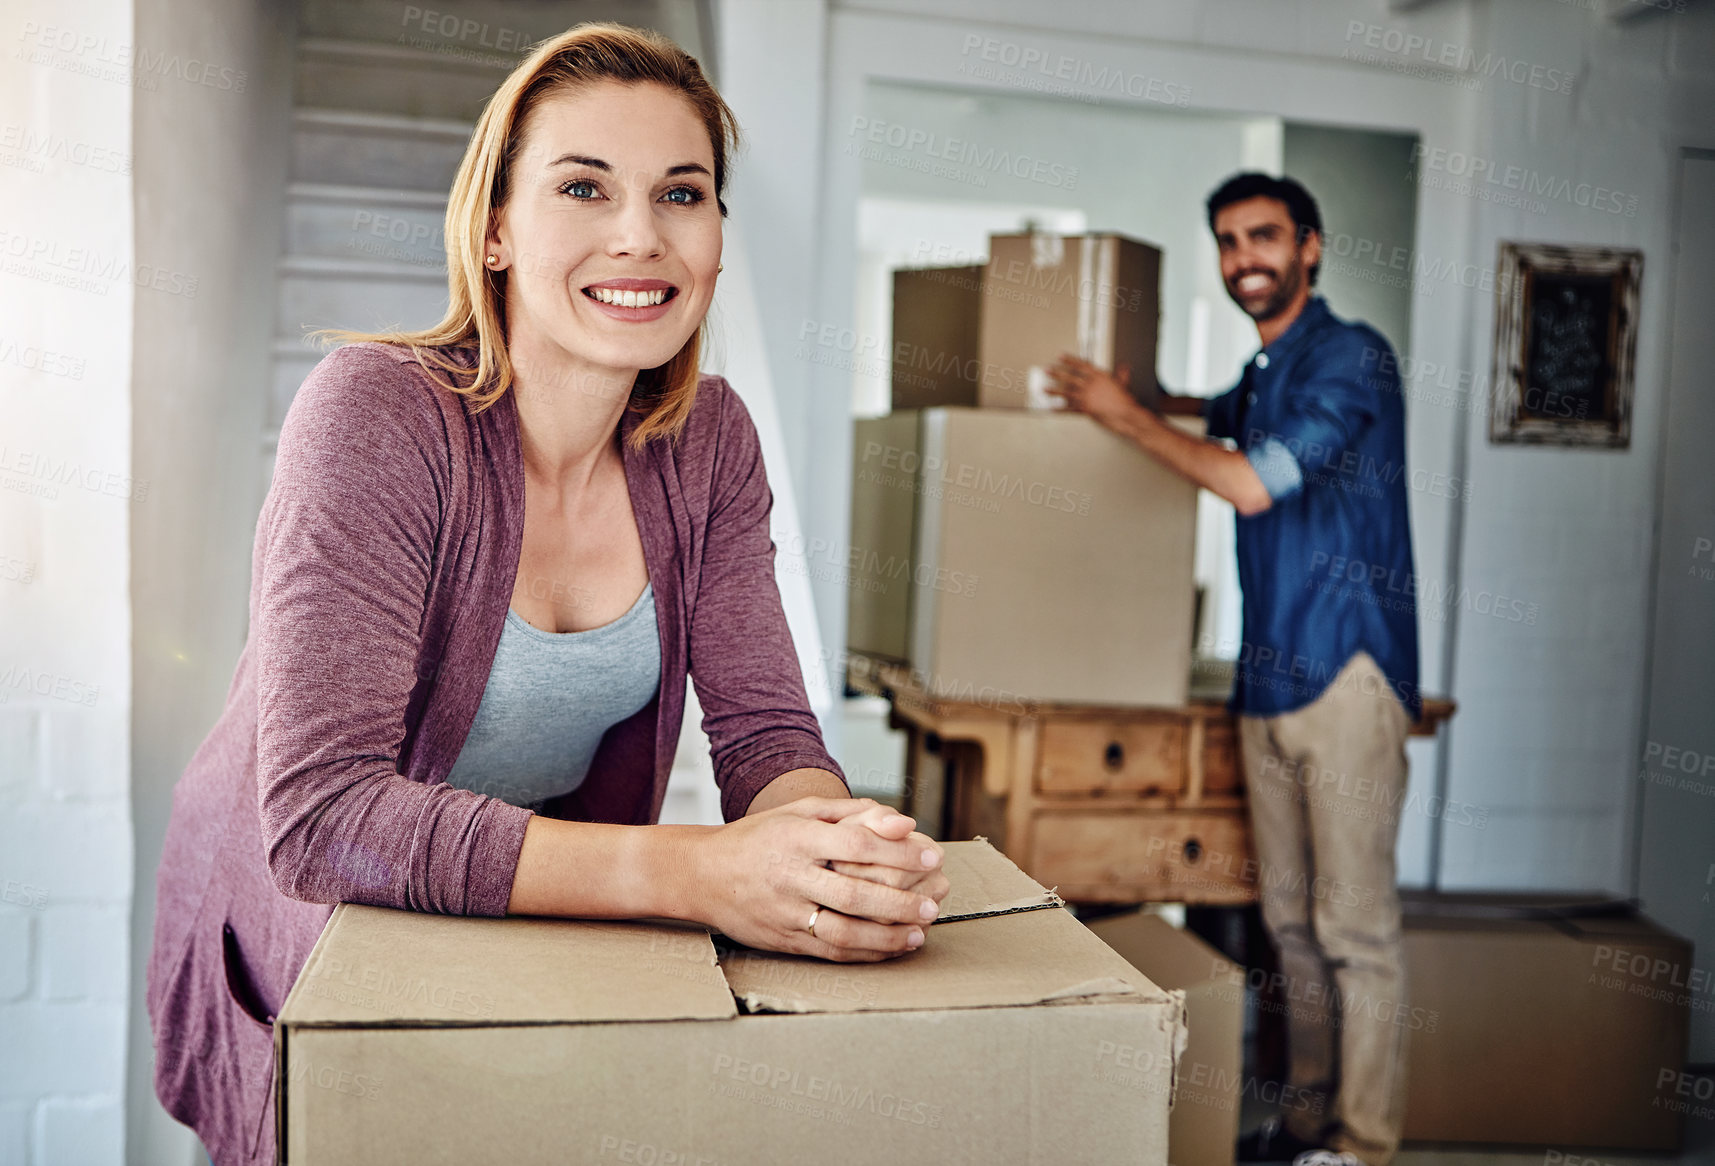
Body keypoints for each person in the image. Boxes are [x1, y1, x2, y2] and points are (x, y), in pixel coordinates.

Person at [147, 24, 948, 1166]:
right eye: (583, 186)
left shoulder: (708, 441)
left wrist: (829, 852)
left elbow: (767, 731)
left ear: (717, 234)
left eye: (683, 191)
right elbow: (325, 815)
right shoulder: (373, 414)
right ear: (496, 232)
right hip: (318, 921)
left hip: (518, 911)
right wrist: (694, 871)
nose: (640, 234)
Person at [1046, 173, 1420, 1166]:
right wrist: (1133, 394)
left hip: (1345, 673)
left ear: (1310, 247)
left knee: (1354, 932)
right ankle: (1305, 1126)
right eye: (1226, 240)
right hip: (1266, 679)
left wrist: (1120, 418)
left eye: (1262, 235)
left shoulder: (1349, 358)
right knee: (1288, 925)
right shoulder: (1262, 372)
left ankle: (1366, 1145)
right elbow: (1207, 414)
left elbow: (1249, 482)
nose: (1242, 255)